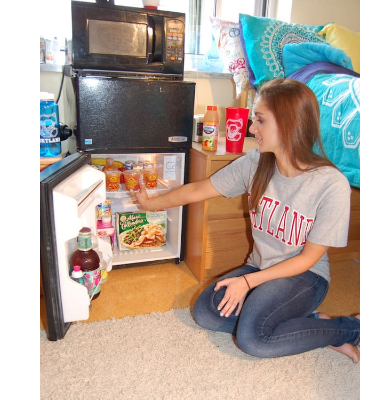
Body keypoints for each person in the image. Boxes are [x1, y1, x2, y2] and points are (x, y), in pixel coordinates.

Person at [131, 78, 360, 362]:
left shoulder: (330, 184)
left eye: (260, 121)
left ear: (288, 123)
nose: (252, 129)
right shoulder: (256, 163)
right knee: (206, 312)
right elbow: (199, 189)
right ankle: (308, 323)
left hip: (305, 277)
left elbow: (308, 259)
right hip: (259, 267)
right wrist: (149, 202)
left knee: (253, 338)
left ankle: (350, 329)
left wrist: (248, 283)